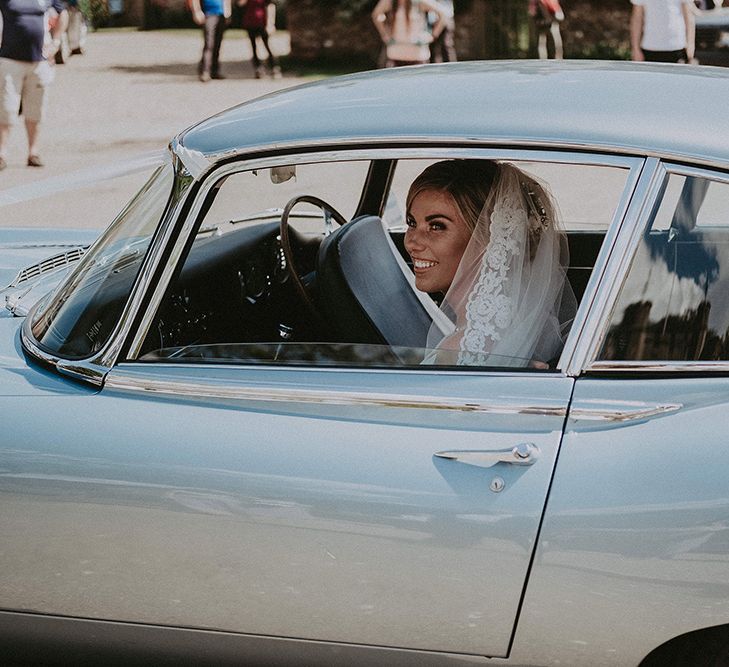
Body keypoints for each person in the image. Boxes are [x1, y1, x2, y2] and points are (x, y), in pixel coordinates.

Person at [403, 159, 576, 367]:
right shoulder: (519, 324)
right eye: (412, 223)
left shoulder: (462, 350)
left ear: (488, 239)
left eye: (437, 226)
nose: (412, 242)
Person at [0, 0, 68, 170]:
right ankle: (1, 153)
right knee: (6, 107)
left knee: (36, 109)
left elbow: (63, 14)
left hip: (39, 62)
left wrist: (56, 43)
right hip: (9, 60)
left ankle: (33, 152)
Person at [371, 0, 447, 67]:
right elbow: (376, 15)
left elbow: (443, 14)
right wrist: (384, 34)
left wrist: (432, 35)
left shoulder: (419, 2)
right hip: (395, 55)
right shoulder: (390, 2)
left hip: (418, 56)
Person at [630, 0, 695, 63]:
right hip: (649, 47)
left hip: (677, 46)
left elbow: (689, 17)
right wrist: (635, 48)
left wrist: (690, 45)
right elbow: (637, 18)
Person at [190, 0, 231, 82]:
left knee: (217, 44)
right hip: (209, 14)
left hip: (221, 14)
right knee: (209, 44)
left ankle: (214, 71)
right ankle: (205, 71)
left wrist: (228, 12)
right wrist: (197, 11)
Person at [239, 0, 280, 79]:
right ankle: (258, 69)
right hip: (250, 22)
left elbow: (270, 7)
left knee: (267, 45)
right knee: (253, 47)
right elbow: (240, 4)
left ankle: (275, 68)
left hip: (262, 22)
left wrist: (270, 23)